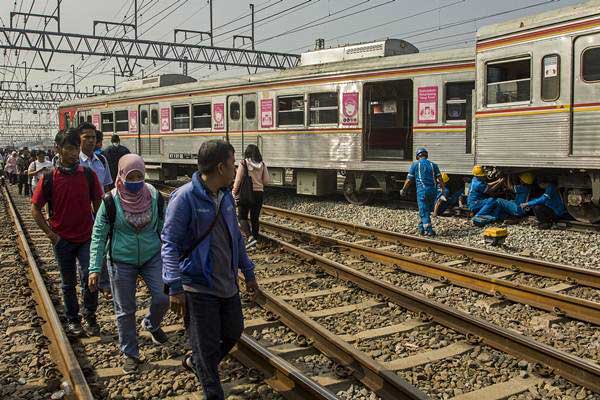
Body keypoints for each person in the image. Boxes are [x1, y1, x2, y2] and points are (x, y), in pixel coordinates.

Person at [162, 140, 259, 400]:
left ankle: (199, 364)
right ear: (220, 167)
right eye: (232, 163)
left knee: (233, 330)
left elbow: (236, 239)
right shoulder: (184, 198)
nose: (236, 168)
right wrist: (174, 285)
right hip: (197, 286)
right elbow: (169, 244)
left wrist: (248, 272)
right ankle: (212, 389)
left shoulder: (226, 196)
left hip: (226, 283)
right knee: (205, 347)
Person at [88, 154, 169, 373]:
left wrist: (171, 258)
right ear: (121, 176)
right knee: (125, 309)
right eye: (130, 176)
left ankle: (151, 323)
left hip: (152, 255)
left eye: (139, 176)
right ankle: (130, 353)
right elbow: (98, 235)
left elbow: (163, 228)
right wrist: (94, 268)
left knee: (163, 296)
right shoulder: (109, 201)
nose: (135, 181)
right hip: (120, 260)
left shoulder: (154, 197)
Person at [31, 129, 103, 336]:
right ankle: (73, 320)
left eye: (76, 149)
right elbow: (35, 209)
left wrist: (99, 230)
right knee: (67, 283)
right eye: (69, 149)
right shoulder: (49, 179)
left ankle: (90, 316)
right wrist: (51, 235)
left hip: (87, 238)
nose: (74, 153)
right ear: (58, 149)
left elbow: (98, 204)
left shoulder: (88, 175)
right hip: (62, 240)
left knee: (90, 278)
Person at [400, 147, 444, 236]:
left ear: (417, 156)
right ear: (426, 155)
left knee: (423, 210)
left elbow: (409, 180)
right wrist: (443, 190)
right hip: (433, 191)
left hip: (422, 191)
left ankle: (428, 230)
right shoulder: (433, 165)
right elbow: (440, 179)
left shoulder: (415, 165)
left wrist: (404, 189)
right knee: (426, 210)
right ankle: (421, 228)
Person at [232, 144, 269, 248]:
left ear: (247, 153)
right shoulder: (262, 164)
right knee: (254, 218)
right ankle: (255, 238)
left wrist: (234, 192)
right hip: (259, 193)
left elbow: (238, 180)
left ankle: (249, 237)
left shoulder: (243, 163)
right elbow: (266, 181)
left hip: (245, 193)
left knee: (242, 217)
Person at [78, 123, 113, 194]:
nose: (91, 140)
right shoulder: (75, 161)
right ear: (78, 139)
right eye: (87, 137)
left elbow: (106, 186)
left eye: (93, 137)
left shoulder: (102, 160)